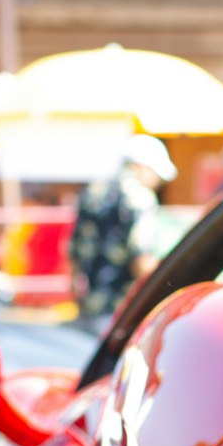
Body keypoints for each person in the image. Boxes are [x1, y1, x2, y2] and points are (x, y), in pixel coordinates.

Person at [69, 134, 177, 328]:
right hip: (121, 308)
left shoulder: (93, 191)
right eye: (155, 173)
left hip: (88, 304)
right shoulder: (140, 199)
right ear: (141, 166)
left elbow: (75, 249)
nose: (158, 182)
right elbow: (141, 259)